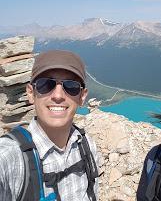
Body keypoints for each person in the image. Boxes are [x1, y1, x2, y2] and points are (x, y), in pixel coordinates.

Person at [0, 50, 99, 201]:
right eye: (46, 84)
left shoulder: (87, 147)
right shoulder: (11, 157)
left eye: (71, 86)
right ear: (31, 93)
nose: (58, 95)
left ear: (82, 96)